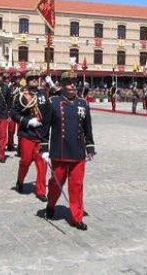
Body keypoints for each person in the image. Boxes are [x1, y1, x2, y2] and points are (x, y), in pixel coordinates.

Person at [43, 70, 95, 231]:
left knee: (77, 185)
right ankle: (51, 204)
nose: (72, 85)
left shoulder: (83, 104)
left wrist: (90, 146)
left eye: (74, 82)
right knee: (56, 184)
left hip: (78, 151)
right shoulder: (53, 102)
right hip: (60, 151)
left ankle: (76, 217)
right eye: (68, 83)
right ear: (63, 85)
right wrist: (44, 147)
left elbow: (87, 127)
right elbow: (45, 127)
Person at [10, 69, 52, 202]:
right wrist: (28, 121)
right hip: (27, 134)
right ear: (27, 80)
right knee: (25, 161)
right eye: (32, 78)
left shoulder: (43, 94)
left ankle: (41, 191)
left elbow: (48, 114)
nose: (35, 79)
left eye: (36, 77)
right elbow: (14, 113)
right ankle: (20, 180)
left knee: (42, 164)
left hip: (40, 135)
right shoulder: (21, 94)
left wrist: (46, 136)